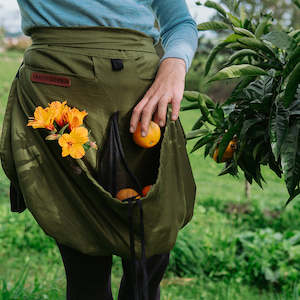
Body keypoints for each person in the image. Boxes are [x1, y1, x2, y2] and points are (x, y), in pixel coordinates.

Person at [1, 1, 198, 299]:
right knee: (83, 253)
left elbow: (179, 21)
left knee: (150, 249)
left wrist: (175, 63)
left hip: (143, 101)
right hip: (58, 89)